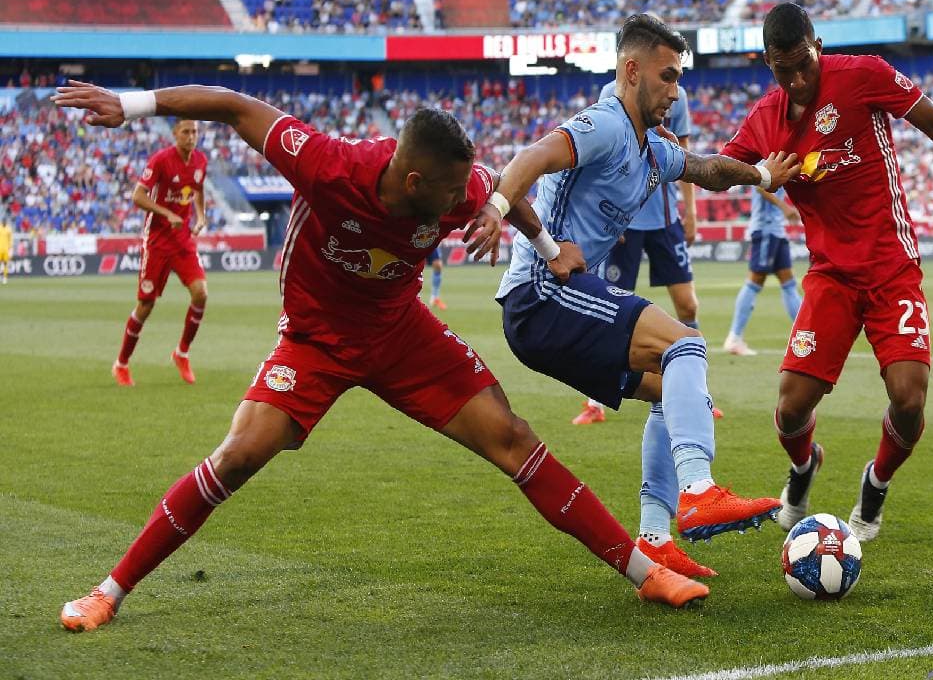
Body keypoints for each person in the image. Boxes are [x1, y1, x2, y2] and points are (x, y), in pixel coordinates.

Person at [53, 80, 707, 632]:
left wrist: (547, 246)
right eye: (449, 198)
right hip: (314, 341)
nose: (460, 206)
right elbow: (229, 104)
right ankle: (109, 591)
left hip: (400, 334)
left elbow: (502, 194)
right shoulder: (328, 164)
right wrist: (131, 104)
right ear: (413, 179)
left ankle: (644, 573)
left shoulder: (462, 186)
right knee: (238, 454)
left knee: (511, 436)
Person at [467, 15, 799, 578]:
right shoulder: (604, 125)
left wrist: (762, 177)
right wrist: (502, 214)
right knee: (686, 345)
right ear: (631, 70)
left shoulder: (651, 148)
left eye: (679, 78)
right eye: (667, 77)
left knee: (674, 387)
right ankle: (699, 490)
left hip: (555, 307)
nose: (676, 91)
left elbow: (708, 169)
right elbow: (533, 156)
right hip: (541, 295)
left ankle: (654, 538)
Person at [721, 4, 933, 541]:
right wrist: (759, 173)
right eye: (781, 69)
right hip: (831, 275)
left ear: (819, 45)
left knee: (909, 397)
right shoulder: (765, 118)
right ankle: (803, 466)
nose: (795, 79)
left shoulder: (863, 75)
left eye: (803, 65)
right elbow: (718, 170)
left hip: (891, 266)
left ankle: (876, 483)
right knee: (791, 409)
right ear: (765, 62)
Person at [572, 77, 707, 425]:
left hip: (664, 217)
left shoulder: (679, 94)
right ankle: (594, 402)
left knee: (688, 304)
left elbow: (687, 154)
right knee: (612, 308)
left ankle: (698, 394)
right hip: (625, 220)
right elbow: (600, 158)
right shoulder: (609, 94)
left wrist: (690, 211)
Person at [112, 118, 209, 386]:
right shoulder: (160, 160)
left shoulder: (201, 161)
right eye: (186, 132)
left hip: (183, 240)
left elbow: (198, 190)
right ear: (175, 134)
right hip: (156, 241)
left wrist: (201, 216)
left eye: (195, 132)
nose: (191, 136)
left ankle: (182, 353)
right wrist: (167, 213)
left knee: (201, 294)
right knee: (146, 305)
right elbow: (137, 196)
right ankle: (121, 363)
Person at [723, 186, 803, 356]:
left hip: (777, 230)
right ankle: (734, 338)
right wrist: (785, 208)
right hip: (765, 229)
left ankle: (805, 334)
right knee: (754, 281)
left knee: (788, 283)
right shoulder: (766, 160)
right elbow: (761, 186)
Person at [0, 214, 12, 284]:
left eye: (5, 221)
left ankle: (5, 277)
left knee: (5, 264)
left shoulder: (9, 229)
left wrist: (10, 248)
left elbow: (10, 239)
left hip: (6, 249)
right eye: (3, 221)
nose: (4, 222)